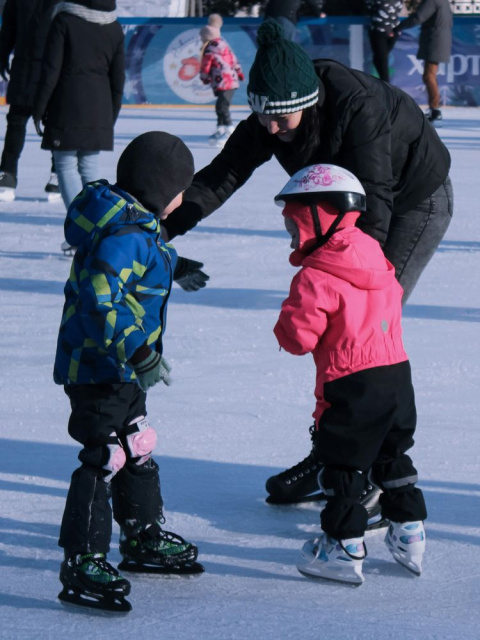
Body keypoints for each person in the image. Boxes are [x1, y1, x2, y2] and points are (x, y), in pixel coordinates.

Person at [161, 19, 453, 507]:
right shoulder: (270, 112)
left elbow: (377, 198)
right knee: (340, 342)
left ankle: (373, 479)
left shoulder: (356, 104)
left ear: (308, 102)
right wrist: (164, 228)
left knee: (365, 338)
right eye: (263, 119)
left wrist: (347, 273)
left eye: (280, 120)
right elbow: (224, 174)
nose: (271, 130)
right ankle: (334, 456)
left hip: (412, 200)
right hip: (350, 209)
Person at [54, 131, 208, 613]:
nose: (182, 198)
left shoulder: (135, 228)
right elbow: (102, 296)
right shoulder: (128, 235)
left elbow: (143, 257)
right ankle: (83, 557)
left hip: (120, 367)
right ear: (162, 191)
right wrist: (140, 352)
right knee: (105, 455)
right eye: (181, 188)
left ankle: (141, 534)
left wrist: (174, 263)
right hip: (101, 368)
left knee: (136, 443)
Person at [273, 163, 427, 584]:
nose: (291, 233)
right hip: (397, 377)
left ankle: (342, 548)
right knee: (392, 455)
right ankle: (410, 532)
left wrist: (286, 318)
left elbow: (298, 338)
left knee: (345, 467)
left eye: (294, 224)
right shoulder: (375, 255)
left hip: (352, 383)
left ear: (318, 216)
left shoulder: (317, 274)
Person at [32, 0, 125, 251]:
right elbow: (118, 78)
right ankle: (97, 228)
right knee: (89, 166)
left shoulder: (65, 19)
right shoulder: (114, 26)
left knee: (65, 164)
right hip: (100, 105)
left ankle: (83, 231)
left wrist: (39, 107)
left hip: (68, 102)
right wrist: (111, 115)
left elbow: (51, 68)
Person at [0, 0, 60, 202]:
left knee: (55, 121)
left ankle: (57, 173)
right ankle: (7, 173)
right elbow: (8, 29)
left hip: (54, 69)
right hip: (27, 69)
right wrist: (2, 56)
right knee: (18, 121)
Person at [393, 0, 453, 122]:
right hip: (439, 38)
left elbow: (418, 17)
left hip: (434, 40)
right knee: (430, 75)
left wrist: (397, 28)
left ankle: (435, 109)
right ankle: (434, 108)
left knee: (429, 76)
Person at [199, 22, 244, 148]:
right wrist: (239, 73)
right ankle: (220, 129)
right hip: (230, 81)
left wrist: (204, 78)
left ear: (207, 37)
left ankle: (230, 131)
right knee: (221, 106)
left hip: (223, 82)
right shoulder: (225, 47)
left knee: (222, 107)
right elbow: (234, 61)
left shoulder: (209, 49)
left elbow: (205, 66)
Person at [364, 0, 403, 82]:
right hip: (383, 30)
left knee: (381, 58)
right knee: (381, 58)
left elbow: (370, 8)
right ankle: (385, 83)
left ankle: (384, 83)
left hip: (388, 30)